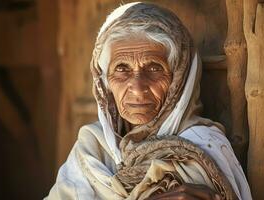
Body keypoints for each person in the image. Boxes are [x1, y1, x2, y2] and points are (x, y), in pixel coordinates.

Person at [45, 2, 252, 200]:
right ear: (105, 82)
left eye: (154, 68)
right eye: (121, 68)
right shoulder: (92, 146)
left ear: (178, 80)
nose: (137, 87)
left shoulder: (199, 152)